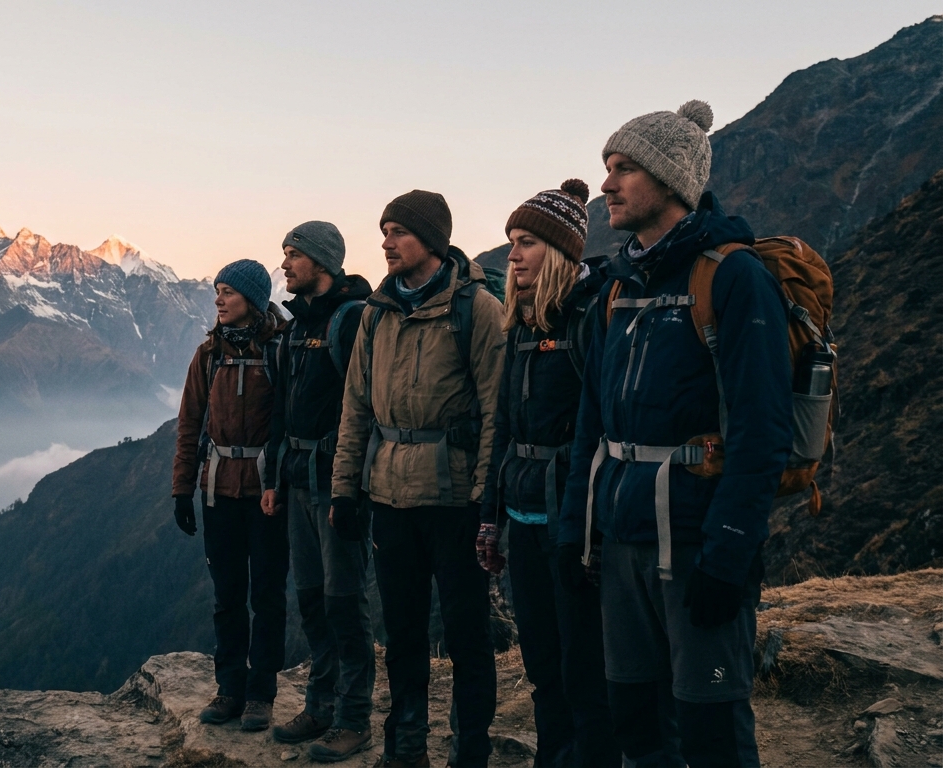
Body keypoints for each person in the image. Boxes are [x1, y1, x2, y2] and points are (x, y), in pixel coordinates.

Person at [556, 101, 792, 767]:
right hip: (621, 545)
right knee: (636, 726)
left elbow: (761, 429)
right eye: (608, 167)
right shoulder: (616, 289)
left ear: (670, 181)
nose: (606, 184)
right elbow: (591, 428)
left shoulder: (734, 276)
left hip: (695, 546)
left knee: (710, 729)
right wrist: (575, 529)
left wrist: (730, 555)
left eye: (624, 168)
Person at [329, 190, 505, 768]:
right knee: (401, 635)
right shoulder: (376, 314)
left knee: (466, 635)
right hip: (389, 499)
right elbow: (355, 407)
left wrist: (486, 502)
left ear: (431, 240)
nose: (385, 242)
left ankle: (468, 752)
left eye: (398, 231)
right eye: (384, 231)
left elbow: (494, 412)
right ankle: (404, 751)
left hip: (455, 501)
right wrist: (345, 491)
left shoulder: (474, 309)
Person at [480, 179, 619, 767]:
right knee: (541, 659)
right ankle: (553, 756)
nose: (512, 254)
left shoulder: (590, 319)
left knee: (582, 661)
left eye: (528, 242)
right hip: (522, 514)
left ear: (561, 252)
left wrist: (584, 528)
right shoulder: (522, 328)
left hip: (572, 524)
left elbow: (601, 432)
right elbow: (504, 430)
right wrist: (489, 519)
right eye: (512, 240)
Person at [259, 221, 377, 761]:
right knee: (311, 600)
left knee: (344, 603)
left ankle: (354, 718)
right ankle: (320, 704)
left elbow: (367, 407)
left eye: (293, 255)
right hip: (297, 483)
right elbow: (282, 409)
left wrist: (350, 488)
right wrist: (271, 479)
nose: (284, 264)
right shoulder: (295, 326)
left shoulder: (350, 320)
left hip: (335, 485)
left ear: (322, 262)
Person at [172, 259, 289, 732]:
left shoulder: (280, 353)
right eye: (217, 291)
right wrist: (183, 489)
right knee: (227, 596)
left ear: (253, 300)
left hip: (265, 493)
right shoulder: (209, 355)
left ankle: (260, 694)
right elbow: (189, 425)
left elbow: (289, 423)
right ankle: (229, 690)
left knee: (267, 594)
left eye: (227, 292)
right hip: (217, 489)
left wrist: (281, 483)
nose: (218, 300)